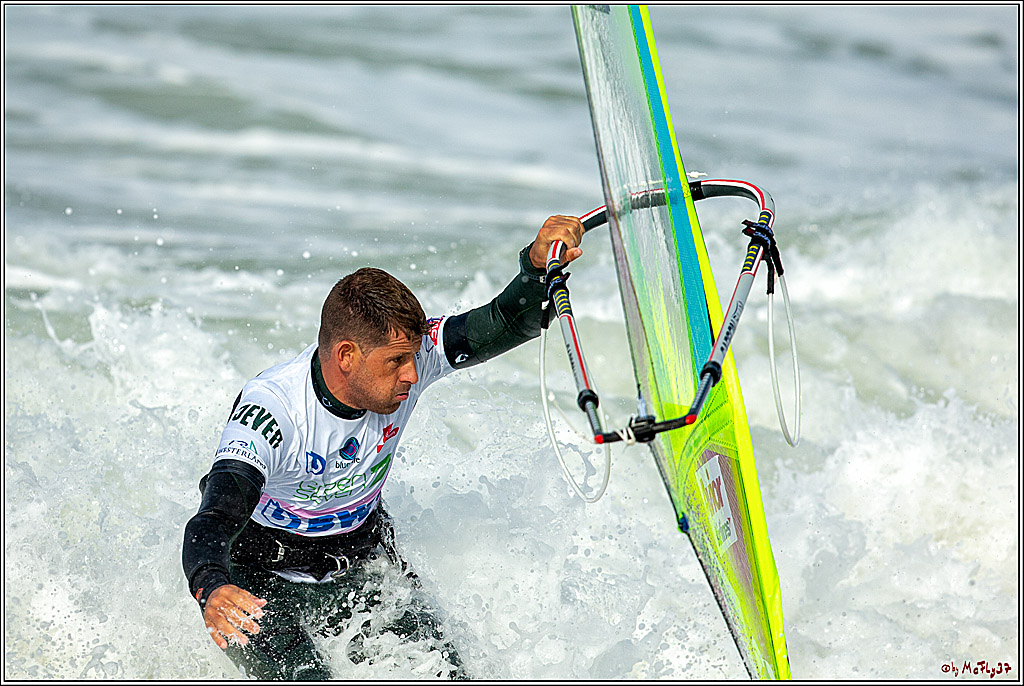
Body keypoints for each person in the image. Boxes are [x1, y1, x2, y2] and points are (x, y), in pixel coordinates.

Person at [182, 216, 584, 680]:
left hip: (359, 562)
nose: (412, 375)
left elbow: (507, 320)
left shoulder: (410, 359)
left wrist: (536, 269)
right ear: (347, 355)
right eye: (396, 362)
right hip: (255, 576)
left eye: (413, 357)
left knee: (450, 675)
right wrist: (211, 586)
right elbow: (212, 518)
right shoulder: (274, 412)